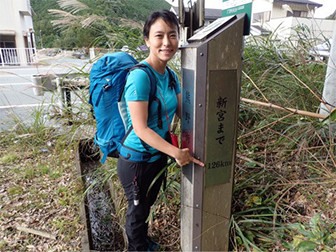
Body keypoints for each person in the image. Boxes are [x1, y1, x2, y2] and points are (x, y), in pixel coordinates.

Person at [117, 9, 204, 251]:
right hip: (136, 159)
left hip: (157, 155)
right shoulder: (140, 78)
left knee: (146, 203)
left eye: (172, 35)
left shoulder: (171, 75)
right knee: (137, 209)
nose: (167, 42)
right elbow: (141, 128)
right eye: (159, 36)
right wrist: (177, 153)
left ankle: (143, 242)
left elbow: (183, 111)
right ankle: (136, 248)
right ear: (147, 41)